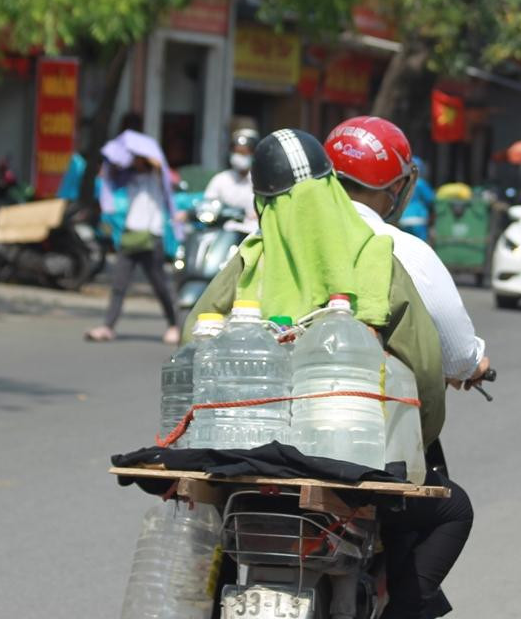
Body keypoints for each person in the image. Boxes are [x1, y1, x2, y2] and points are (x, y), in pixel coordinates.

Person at [185, 129, 471, 619]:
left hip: (241, 455)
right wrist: (418, 439)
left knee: (211, 534)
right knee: (451, 510)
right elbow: (425, 371)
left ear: (260, 199)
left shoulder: (251, 255)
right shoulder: (375, 255)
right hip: (346, 462)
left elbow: (195, 341)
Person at [325, 116, 490, 387]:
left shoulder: (271, 237)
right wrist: (474, 364)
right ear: (397, 185)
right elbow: (459, 354)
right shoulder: (407, 252)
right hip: (369, 412)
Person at [85, 127, 181, 344]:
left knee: (160, 286)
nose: (135, 161)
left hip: (152, 236)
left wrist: (150, 156)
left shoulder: (157, 177)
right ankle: (107, 326)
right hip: (131, 234)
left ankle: (175, 324)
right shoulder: (128, 176)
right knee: (118, 284)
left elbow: (164, 172)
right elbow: (110, 173)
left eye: (138, 158)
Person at [202, 128, 259, 232]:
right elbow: (207, 204)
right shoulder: (220, 180)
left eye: (243, 153)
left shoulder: (260, 182)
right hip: (223, 233)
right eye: (237, 152)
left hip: (251, 233)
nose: (239, 157)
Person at [398, 155, 435, 242]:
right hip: (419, 219)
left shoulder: (402, 183)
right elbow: (431, 199)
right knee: (420, 245)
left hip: (403, 219)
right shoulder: (421, 183)